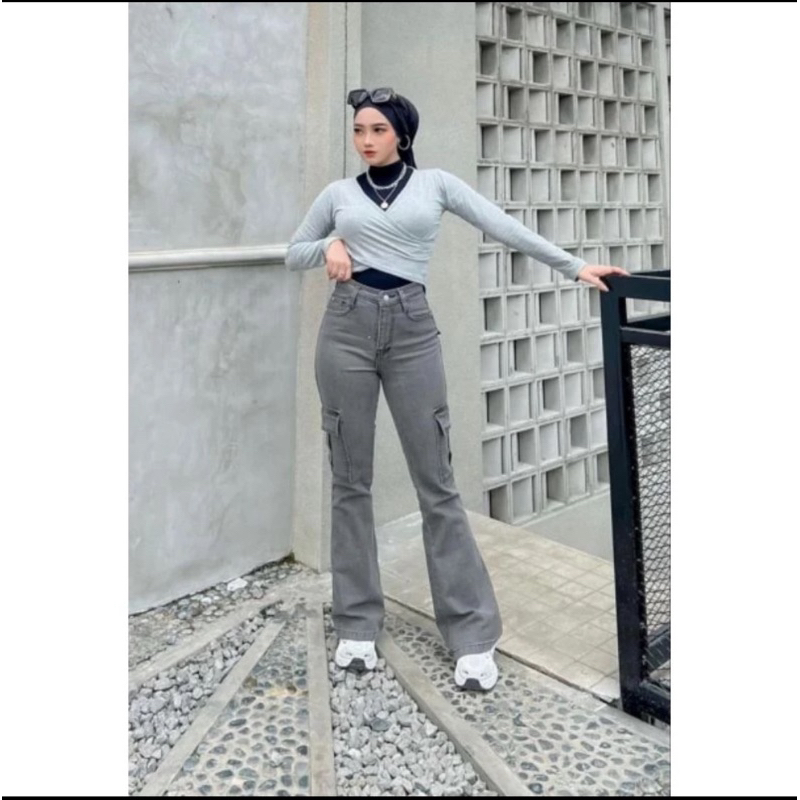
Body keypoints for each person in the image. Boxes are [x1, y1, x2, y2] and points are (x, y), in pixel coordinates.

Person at [286, 87, 628, 692]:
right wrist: (329, 245)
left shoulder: (435, 185)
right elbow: (293, 253)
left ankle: (471, 634)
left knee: (437, 485)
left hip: (412, 330)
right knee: (350, 481)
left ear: (402, 135)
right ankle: (357, 623)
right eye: (359, 130)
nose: (366, 140)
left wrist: (575, 266)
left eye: (378, 130)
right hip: (345, 330)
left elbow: (502, 225)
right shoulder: (337, 195)